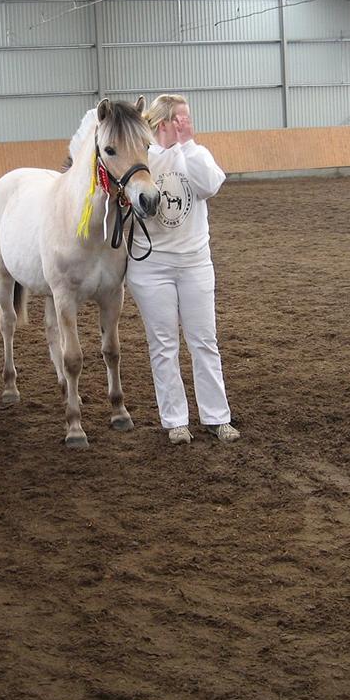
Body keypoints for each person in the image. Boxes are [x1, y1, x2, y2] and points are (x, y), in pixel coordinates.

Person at [127, 94, 239, 444]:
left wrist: (189, 143)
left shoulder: (195, 154)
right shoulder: (142, 159)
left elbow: (210, 185)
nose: (188, 124)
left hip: (194, 263)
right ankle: (175, 420)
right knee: (163, 345)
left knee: (204, 340)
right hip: (151, 266)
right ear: (164, 123)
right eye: (182, 119)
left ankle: (217, 417)